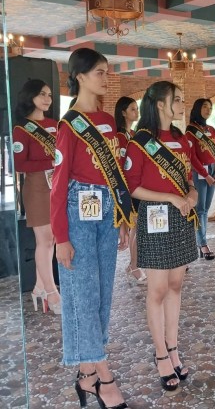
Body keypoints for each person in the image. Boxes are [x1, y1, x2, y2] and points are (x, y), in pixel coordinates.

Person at [51, 48, 134, 408]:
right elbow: (57, 184)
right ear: (80, 76)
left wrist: (122, 220)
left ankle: (85, 377)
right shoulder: (68, 125)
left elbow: (115, 175)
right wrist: (60, 238)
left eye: (106, 72)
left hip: (105, 211)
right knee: (84, 296)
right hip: (77, 210)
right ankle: (104, 377)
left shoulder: (108, 121)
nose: (105, 77)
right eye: (99, 72)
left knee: (102, 296)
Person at [124, 81, 198, 391]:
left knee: (176, 285)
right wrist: (169, 198)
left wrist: (192, 194)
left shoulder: (181, 139)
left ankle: (173, 346)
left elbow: (189, 178)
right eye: (176, 100)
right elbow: (132, 186)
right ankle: (160, 354)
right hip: (155, 217)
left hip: (181, 217)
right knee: (156, 289)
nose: (182, 104)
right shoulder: (140, 141)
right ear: (159, 105)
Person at [12, 79, 60, 313]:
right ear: (30, 97)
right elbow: (19, 164)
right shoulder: (21, 129)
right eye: (42, 94)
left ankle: (40, 288)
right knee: (44, 240)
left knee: (53, 239)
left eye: (49, 95)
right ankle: (51, 294)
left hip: (57, 186)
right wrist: (50, 162)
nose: (47, 99)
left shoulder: (54, 124)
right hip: (37, 188)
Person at [114, 96, 146, 284]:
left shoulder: (133, 134)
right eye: (132, 109)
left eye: (137, 108)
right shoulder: (119, 137)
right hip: (127, 187)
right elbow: (120, 165)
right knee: (136, 228)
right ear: (123, 112)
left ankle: (133, 263)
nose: (136, 112)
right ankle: (135, 266)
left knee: (137, 228)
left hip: (137, 185)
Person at [186, 98, 215, 260]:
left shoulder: (212, 130)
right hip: (200, 173)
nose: (208, 110)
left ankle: (202, 240)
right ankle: (203, 243)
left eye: (210, 107)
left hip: (212, 170)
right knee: (200, 210)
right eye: (204, 107)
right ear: (197, 109)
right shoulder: (190, 131)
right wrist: (206, 175)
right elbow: (192, 157)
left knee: (206, 209)